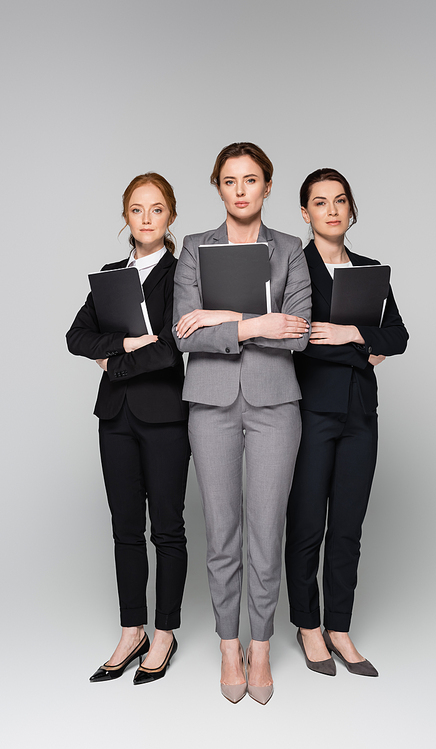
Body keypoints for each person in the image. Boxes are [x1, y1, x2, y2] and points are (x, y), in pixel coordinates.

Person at [173, 142, 311, 703]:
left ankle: (261, 645)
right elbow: (187, 329)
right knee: (222, 531)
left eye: (250, 179)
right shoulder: (193, 248)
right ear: (218, 187)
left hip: (277, 402)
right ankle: (228, 643)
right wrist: (260, 322)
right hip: (210, 401)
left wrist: (226, 317)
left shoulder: (289, 248)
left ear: (267, 186)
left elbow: (299, 332)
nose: (240, 189)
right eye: (229, 181)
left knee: (265, 530)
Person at [66, 173, 189, 685]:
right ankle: (131, 630)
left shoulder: (184, 276)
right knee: (124, 530)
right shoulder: (110, 276)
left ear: (170, 217)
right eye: (136, 210)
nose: (145, 218)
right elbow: (77, 336)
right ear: (125, 218)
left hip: (164, 418)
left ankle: (164, 633)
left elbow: (170, 348)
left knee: (167, 529)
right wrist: (126, 343)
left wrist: (114, 356)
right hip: (114, 418)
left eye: (156, 210)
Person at [285, 168, 408, 677]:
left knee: (349, 528)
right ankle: (307, 625)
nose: (332, 210)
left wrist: (349, 334)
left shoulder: (370, 270)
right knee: (308, 523)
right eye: (320, 202)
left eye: (340, 201)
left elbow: (397, 336)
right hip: (310, 412)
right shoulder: (294, 269)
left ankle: (340, 626)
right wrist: (361, 343)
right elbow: (295, 341)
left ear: (351, 209)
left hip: (360, 414)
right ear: (305, 213)